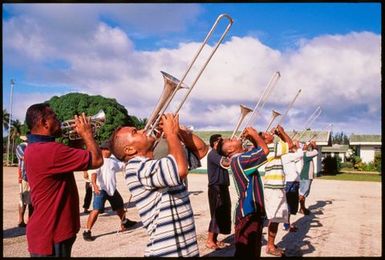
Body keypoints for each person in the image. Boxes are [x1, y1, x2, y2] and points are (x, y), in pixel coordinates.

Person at [110, 113, 199, 257]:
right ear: (129, 150)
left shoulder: (152, 164)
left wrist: (179, 131)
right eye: (135, 132)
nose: (142, 130)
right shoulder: (135, 167)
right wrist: (171, 134)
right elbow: (180, 170)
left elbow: (200, 150)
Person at [24, 103, 103, 257]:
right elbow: (97, 160)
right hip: (52, 233)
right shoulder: (51, 151)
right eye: (54, 117)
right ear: (44, 123)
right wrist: (87, 134)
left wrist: (76, 139)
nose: (60, 121)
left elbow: (71, 160)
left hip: (46, 231)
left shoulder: (36, 148)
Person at [216, 127, 269, 258]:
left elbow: (258, 150)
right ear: (230, 150)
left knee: (248, 252)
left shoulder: (240, 158)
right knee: (247, 253)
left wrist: (253, 138)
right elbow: (265, 151)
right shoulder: (240, 160)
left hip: (248, 212)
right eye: (230, 140)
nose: (234, 137)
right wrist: (254, 134)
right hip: (248, 212)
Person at [83, 140, 137, 241]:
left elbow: (123, 165)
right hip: (101, 189)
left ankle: (124, 222)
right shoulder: (98, 159)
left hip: (112, 189)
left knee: (120, 206)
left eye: (111, 149)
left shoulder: (113, 160)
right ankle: (87, 231)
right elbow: (94, 173)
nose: (110, 151)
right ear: (102, 149)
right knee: (96, 210)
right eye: (108, 149)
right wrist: (94, 185)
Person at [260, 125, 293, 257]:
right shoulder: (271, 148)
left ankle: (271, 244)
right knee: (274, 218)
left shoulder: (271, 148)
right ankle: (270, 246)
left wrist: (279, 134)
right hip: (274, 188)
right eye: (267, 133)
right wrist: (282, 132)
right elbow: (290, 144)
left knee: (276, 217)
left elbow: (288, 144)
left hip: (275, 187)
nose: (270, 132)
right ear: (265, 140)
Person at [153, 125, 208, 190]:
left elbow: (201, 149)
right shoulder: (169, 146)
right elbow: (202, 149)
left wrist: (175, 130)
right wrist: (176, 130)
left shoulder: (176, 146)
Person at [206, 134, 231, 250]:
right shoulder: (213, 154)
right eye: (221, 141)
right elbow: (226, 163)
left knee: (222, 213)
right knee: (217, 213)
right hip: (216, 187)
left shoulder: (219, 154)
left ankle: (214, 239)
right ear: (216, 143)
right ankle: (210, 240)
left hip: (222, 186)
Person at [281, 140, 303, 232]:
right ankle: (286, 225)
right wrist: (298, 146)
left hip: (293, 183)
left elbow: (300, 158)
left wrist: (297, 148)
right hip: (290, 183)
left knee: (291, 206)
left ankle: (287, 224)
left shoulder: (290, 156)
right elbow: (300, 154)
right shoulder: (287, 156)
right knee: (289, 206)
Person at [15, 135, 34, 228]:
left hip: (34, 176)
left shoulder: (33, 147)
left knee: (32, 200)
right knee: (23, 199)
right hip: (25, 177)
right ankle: (21, 220)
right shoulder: (21, 146)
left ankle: (30, 220)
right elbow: (24, 157)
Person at [298, 140, 319, 215]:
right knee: (302, 193)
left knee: (303, 193)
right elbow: (316, 151)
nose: (306, 145)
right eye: (304, 145)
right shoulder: (306, 154)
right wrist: (314, 144)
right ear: (303, 147)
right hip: (306, 176)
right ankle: (302, 209)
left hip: (305, 176)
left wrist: (311, 145)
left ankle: (302, 208)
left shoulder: (305, 154)